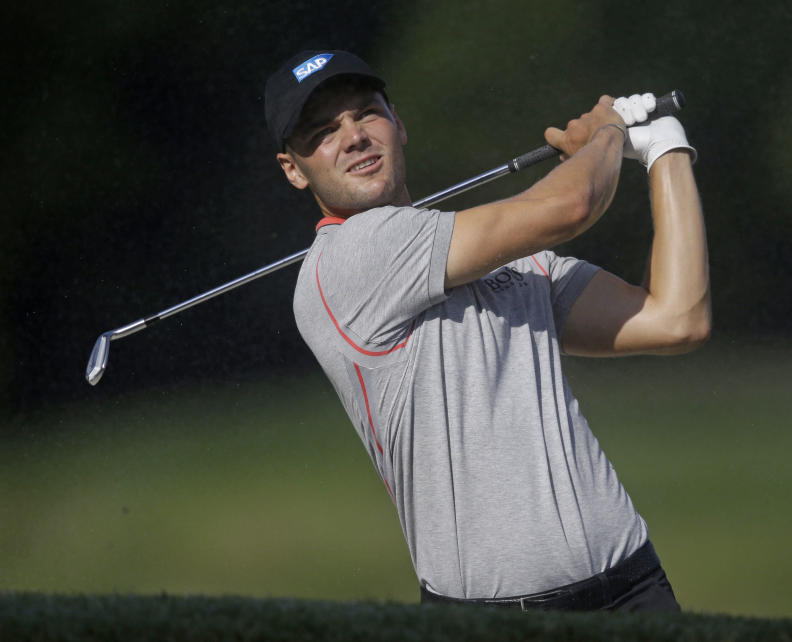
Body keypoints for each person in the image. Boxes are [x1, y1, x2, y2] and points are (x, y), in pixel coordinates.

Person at [263, 49, 709, 612]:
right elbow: (571, 204)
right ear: (293, 169)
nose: (353, 136)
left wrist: (668, 150)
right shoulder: (347, 260)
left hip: (633, 587)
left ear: (397, 123)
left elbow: (677, 318)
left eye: (365, 114)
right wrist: (608, 135)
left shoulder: (510, 259)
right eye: (322, 131)